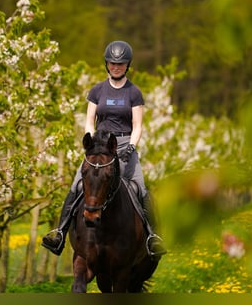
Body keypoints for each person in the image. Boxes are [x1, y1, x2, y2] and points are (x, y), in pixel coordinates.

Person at [42, 40, 166, 257]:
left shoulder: (134, 92)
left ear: (127, 65)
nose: (116, 67)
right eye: (112, 63)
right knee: (76, 185)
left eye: (121, 64)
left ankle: (152, 237)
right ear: (106, 64)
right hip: (99, 146)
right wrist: (90, 140)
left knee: (140, 188)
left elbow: (138, 125)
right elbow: (90, 119)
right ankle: (60, 233)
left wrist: (132, 147)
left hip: (125, 144)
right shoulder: (97, 90)